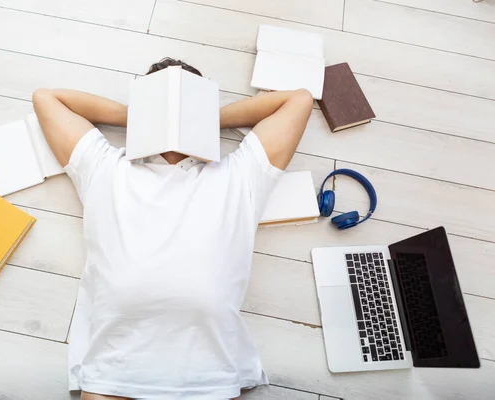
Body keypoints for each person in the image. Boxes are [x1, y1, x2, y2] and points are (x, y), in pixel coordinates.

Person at [32, 58, 313, 400]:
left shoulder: (239, 175)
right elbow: (47, 99)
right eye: (162, 99)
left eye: (186, 100)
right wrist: (141, 119)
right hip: (115, 371)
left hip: (206, 375)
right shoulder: (105, 166)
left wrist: (204, 121)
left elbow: (298, 100)